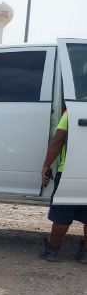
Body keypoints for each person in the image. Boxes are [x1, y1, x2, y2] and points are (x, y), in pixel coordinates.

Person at [40, 108, 87, 263]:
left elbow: (58, 140)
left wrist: (46, 165)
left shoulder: (73, 110)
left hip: (70, 171)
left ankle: (52, 251)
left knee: (62, 214)